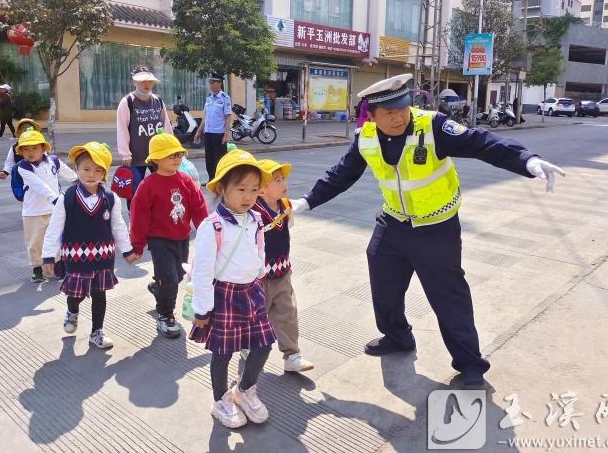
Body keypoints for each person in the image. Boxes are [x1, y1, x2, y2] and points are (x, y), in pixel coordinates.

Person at [289, 74, 565, 388]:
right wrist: (308, 201)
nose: (398, 117)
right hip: (393, 222)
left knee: (448, 296)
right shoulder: (365, 137)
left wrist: (526, 160)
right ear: (372, 114)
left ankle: (470, 364)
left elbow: (482, 143)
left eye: (402, 108)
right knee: (383, 279)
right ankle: (397, 336)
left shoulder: (433, 127)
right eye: (388, 112)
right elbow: (342, 173)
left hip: (437, 227)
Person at [189, 149, 274, 429]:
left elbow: (259, 248)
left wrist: (260, 272)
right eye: (240, 188)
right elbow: (201, 272)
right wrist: (202, 309)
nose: (248, 196)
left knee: (263, 345)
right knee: (223, 353)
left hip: (252, 292)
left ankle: (245, 389)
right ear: (222, 188)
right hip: (224, 295)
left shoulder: (256, 219)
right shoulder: (211, 226)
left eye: (253, 189)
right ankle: (220, 401)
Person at [41, 142, 138, 349]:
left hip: (104, 259)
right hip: (75, 259)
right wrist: (48, 256)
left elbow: (118, 227)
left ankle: (97, 331)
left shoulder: (111, 198)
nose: (91, 174)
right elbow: (54, 229)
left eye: (97, 170)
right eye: (86, 169)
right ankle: (72, 312)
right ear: (76, 169)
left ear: (104, 172)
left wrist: (127, 251)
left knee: (99, 295)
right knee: (75, 295)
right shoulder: (67, 198)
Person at [129, 132, 208, 338]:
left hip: (182, 237)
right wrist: (137, 245)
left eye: (178, 154)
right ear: (155, 159)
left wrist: (208, 231)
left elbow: (199, 207)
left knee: (180, 275)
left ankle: (158, 287)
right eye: (170, 155)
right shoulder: (148, 186)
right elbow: (139, 217)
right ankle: (165, 315)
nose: (176, 159)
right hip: (159, 240)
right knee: (170, 277)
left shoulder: (186, 181)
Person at [252, 159, 314, 373]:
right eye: (276, 180)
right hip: (258, 277)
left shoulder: (285, 205)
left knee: (287, 312)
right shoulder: (252, 210)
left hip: (282, 271)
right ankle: (248, 346)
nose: (283, 183)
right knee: (257, 315)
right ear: (260, 190)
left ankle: (292, 354)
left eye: (283, 178)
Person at [14, 127, 77, 283]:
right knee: (35, 241)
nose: (30, 152)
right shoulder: (24, 167)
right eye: (26, 149)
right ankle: (36, 267)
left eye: (35, 148)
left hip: (53, 209)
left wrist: (80, 183)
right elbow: (39, 185)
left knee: (55, 238)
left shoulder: (53, 160)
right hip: (33, 211)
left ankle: (56, 265)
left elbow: (69, 174)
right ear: (21, 151)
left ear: (43, 148)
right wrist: (56, 199)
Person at [116, 65, 173, 188]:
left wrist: (172, 149)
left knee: (163, 187)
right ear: (134, 82)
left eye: (149, 81)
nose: (146, 84)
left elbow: (166, 126)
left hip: (157, 155)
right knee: (134, 191)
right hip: (135, 157)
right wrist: (125, 154)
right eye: (142, 81)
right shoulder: (127, 102)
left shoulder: (158, 101)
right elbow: (122, 130)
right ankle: (134, 208)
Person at [194, 73, 232, 181]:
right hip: (208, 133)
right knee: (209, 158)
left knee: (220, 159)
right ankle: (211, 179)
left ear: (219, 83)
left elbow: (227, 117)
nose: (211, 85)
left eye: (213, 82)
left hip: (219, 134)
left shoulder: (225, 98)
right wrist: (198, 132)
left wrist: (226, 135)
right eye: (210, 83)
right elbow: (205, 117)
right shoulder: (209, 98)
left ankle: (221, 180)